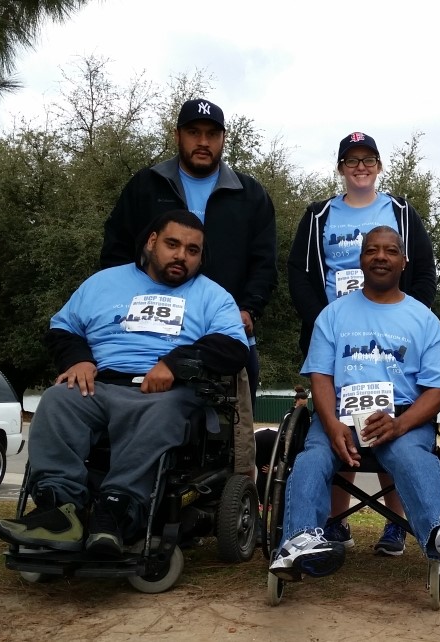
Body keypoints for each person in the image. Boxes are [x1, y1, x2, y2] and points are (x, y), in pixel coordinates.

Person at [0, 210, 249, 555]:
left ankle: (116, 513)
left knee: (162, 412)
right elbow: (61, 328)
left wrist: (174, 363)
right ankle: (59, 512)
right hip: (100, 383)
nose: (181, 256)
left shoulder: (212, 296)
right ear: (151, 241)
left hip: (166, 391)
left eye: (192, 250)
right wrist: (78, 359)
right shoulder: (102, 283)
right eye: (173, 244)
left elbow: (233, 348)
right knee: (57, 400)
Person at [270, 226, 440, 582]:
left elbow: (437, 390)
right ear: (361, 258)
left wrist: (400, 424)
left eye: (389, 251)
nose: (380, 256)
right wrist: (333, 423)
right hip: (338, 415)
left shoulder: (424, 320)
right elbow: (320, 377)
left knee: (415, 458)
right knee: (313, 458)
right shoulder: (333, 315)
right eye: (372, 250)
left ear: (404, 261)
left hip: (401, 416)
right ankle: (299, 540)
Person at [100, 97, 278, 478]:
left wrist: (248, 309)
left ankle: (233, 509)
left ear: (223, 139)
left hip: (221, 334)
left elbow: (265, 264)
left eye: (212, 134)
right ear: (177, 135)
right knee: (129, 413)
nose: (203, 141)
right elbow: (115, 251)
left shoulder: (250, 195)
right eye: (194, 132)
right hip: (145, 333)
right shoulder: (147, 186)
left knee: (234, 435)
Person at [287, 132, 436, 556]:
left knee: (389, 417)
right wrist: (324, 322)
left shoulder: (401, 212)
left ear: (378, 164)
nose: (360, 166)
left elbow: (424, 270)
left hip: (393, 333)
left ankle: (396, 525)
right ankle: (335, 524)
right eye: (351, 160)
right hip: (337, 334)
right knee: (341, 418)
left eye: (367, 158)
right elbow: (298, 272)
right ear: (340, 167)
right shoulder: (319, 215)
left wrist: (406, 317)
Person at [255, 385, 309, 504]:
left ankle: (263, 502)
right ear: (298, 401)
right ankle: (269, 502)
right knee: (270, 471)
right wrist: (276, 467)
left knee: (265, 470)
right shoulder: (295, 415)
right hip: (272, 439)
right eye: (303, 405)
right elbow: (287, 440)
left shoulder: (289, 414)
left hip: (262, 435)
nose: (304, 407)